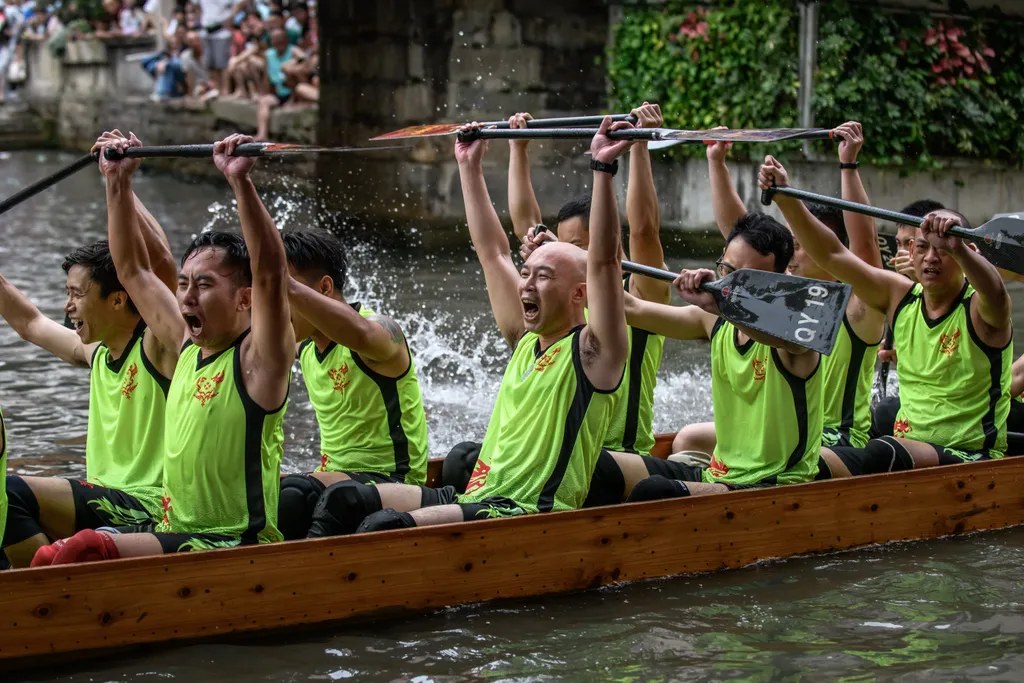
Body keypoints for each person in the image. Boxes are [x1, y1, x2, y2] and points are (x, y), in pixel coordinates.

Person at [304, 117, 631, 536]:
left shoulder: (594, 352)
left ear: (580, 294)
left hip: (520, 512)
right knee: (343, 499)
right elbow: (493, 254)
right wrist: (469, 166)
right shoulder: (525, 339)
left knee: (384, 527)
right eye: (526, 273)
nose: (526, 284)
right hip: (478, 497)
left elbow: (605, 264)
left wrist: (602, 170)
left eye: (543, 276)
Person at [33, 132, 294, 565]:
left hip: (234, 546)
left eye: (205, 285)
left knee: (80, 551)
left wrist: (239, 182)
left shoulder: (258, 362)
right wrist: (116, 182)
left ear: (244, 299)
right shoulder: (186, 347)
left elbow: (269, 273)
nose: (187, 296)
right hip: (172, 532)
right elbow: (131, 269)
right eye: (184, 283)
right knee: (54, 554)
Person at [440, 103, 669, 503]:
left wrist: (639, 148)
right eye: (557, 247)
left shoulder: (637, 293)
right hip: (556, 456)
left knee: (591, 469)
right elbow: (504, 244)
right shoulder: (547, 313)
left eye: (574, 248)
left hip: (614, 457)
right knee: (462, 460)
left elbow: (644, 234)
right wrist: (518, 148)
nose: (559, 254)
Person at [760, 156, 1012, 476]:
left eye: (944, 249)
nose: (931, 257)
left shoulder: (982, 307)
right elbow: (833, 254)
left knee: (884, 450)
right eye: (922, 247)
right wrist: (786, 198)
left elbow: (997, 293)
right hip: (905, 449)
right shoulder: (899, 296)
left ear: (967, 253)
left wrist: (960, 248)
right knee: (806, 457)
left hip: (969, 459)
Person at [1, 140, 177, 567]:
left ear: (119, 300)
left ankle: (46, 588)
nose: (67, 307)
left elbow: (160, 266)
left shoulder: (160, 345)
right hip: (105, 498)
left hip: (151, 506)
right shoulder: (94, 353)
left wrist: (121, 184)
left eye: (77, 295)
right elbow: (28, 324)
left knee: (8, 493)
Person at [675, 122, 884, 469]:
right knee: (687, 438)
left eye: (801, 246)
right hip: (780, 431)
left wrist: (847, 164)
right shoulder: (786, 293)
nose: (791, 253)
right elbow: (739, 240)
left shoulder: (858, 306)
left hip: (837, 439)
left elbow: (863, 245)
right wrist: (716, 161)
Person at [594, 213, 823, 502]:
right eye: (727, 270)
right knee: (592, 463)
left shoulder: (796, 334)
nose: (732, 285)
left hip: (772, 488)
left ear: (779, 282)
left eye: (747, 280)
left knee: (654, 492)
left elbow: (780, 335)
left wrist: (724, 306)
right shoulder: (713, 320)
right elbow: (630, 308)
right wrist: (567, 263)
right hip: (718, 476)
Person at [276, 228, 429, 540]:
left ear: (325, 287)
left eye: (286, 294)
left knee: (293, 493)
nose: (276, 307)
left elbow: (361, 333)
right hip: (339, 482)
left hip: (394, 483)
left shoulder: (382, 334)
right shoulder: (302, 346)